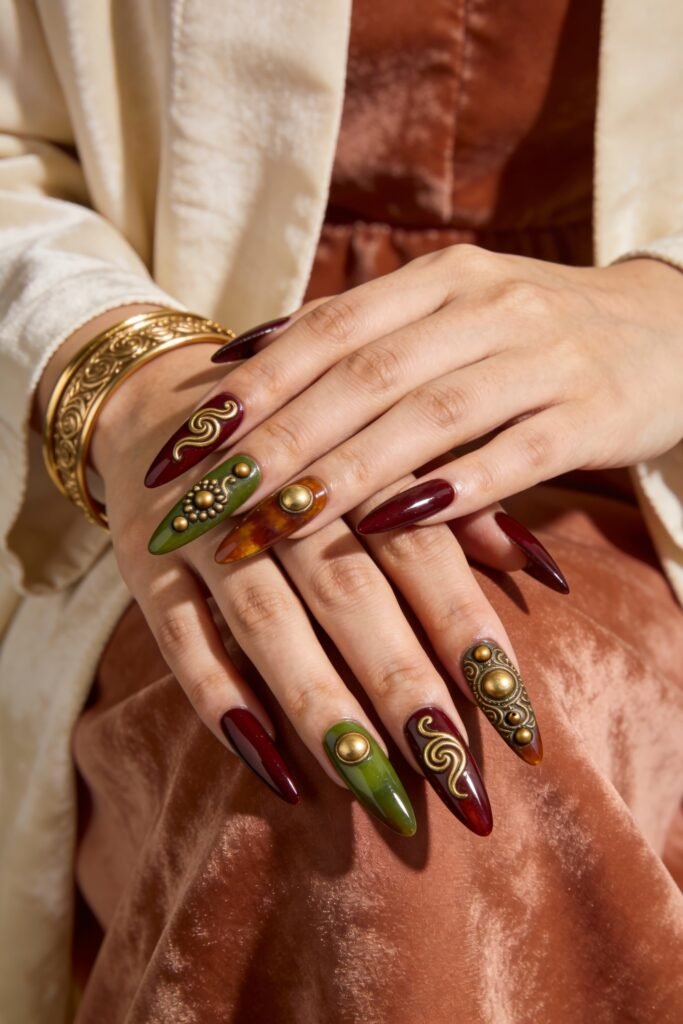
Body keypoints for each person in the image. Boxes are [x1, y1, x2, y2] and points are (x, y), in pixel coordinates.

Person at [1, 1, 683, 1021]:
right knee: (337, 769)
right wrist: (114, 371)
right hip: (179, 444)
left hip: (637, 439)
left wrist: (665, 305)